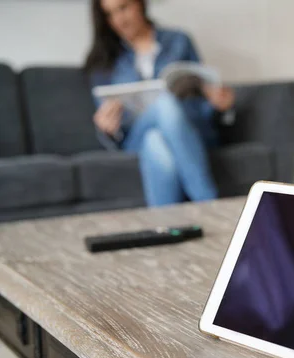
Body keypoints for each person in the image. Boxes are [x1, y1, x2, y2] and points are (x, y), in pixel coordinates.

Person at [85, 0, 235, 207]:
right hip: (134, 138)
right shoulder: (104, 62)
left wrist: (220, 106)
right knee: (164, 104)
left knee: (155, 141)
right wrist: (107, 129)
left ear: (140, 4)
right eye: (110, 14)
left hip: (185, 130)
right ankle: (209, 203)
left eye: (123, 8)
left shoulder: (179, 41)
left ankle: (165, 230)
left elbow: (201, 100)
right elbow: (111, 133)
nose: (120, 20)